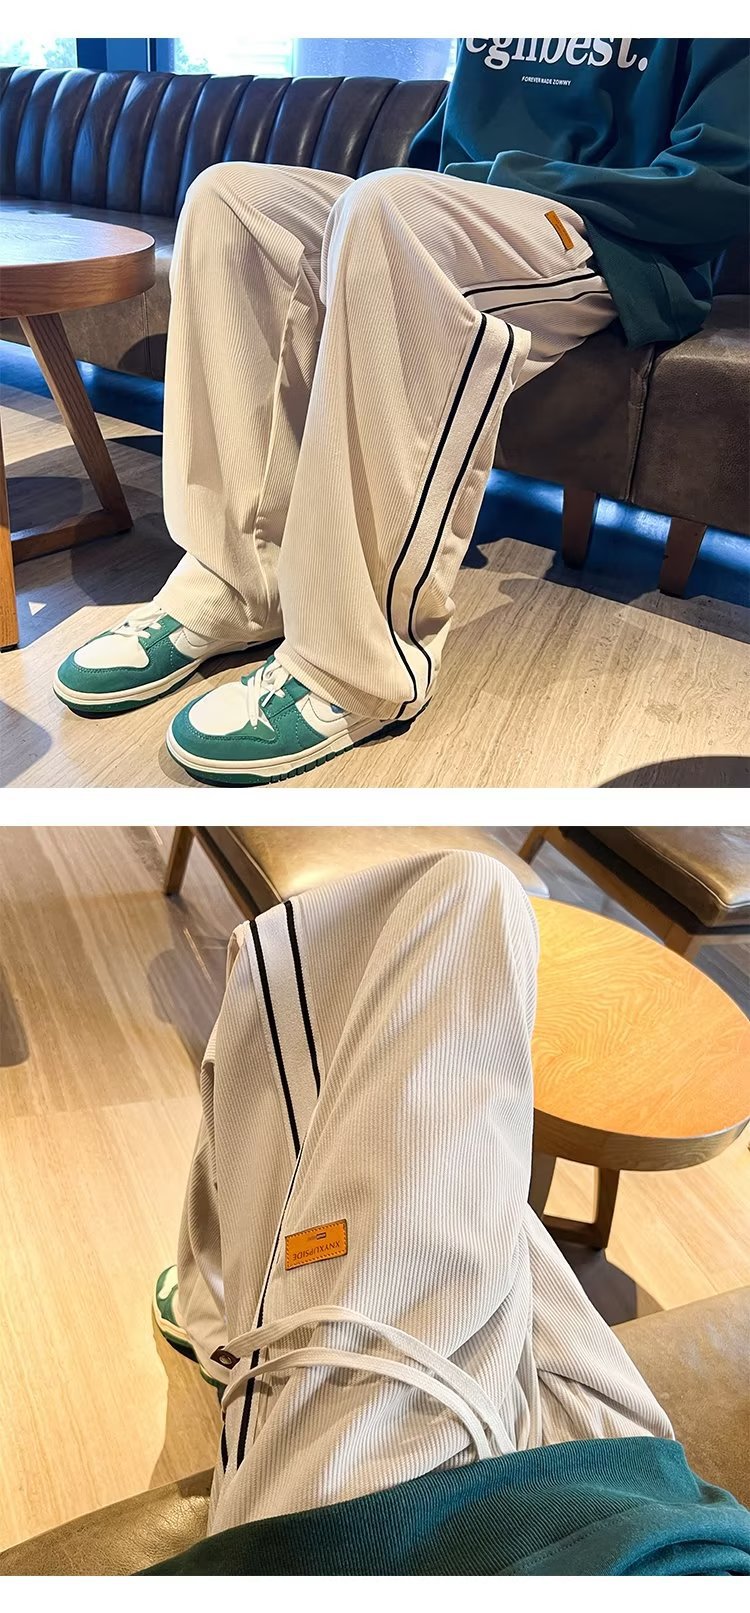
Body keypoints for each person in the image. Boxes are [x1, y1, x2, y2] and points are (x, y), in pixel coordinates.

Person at [54, 40, 749, 785]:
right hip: (485, 205)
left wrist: (494, 181)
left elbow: (722, 178)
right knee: (233, 200)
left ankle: (360, 666)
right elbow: (448, 140)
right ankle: (237, 583)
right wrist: (448, 186)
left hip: (617, 239)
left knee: (396, 210)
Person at [147, 852, 750, 1573]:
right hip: (642, 1502)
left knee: (464, 900)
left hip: (373, 1533)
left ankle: (220, 1315)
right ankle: (217, 1310)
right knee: (480, 1187)